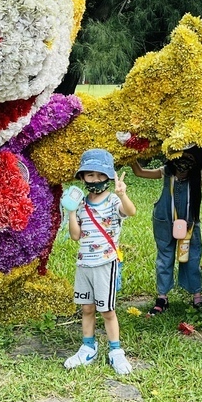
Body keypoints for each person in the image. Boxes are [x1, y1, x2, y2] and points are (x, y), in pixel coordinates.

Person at [64, 148, 137, 375]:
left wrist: (123, 193)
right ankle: (88, 347)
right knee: (87, 308)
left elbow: (131, 212)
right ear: (83, 177)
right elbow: (76, 235)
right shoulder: (82, 204)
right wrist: (71, 212)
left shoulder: (114, 200)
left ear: (109, 176)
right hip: (84, 264)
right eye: (90, 175)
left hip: (106, 263)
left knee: (107, 311)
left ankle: (116, 350)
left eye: (100, 175)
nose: (95, 180)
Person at [131, 147, 202, 315]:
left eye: (189, 157)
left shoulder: (201, 174)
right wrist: (130, 154)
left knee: (192, 258)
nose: (183, 162)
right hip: (164, 222)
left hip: (189, 225)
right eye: (180, 156)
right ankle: (162, 298)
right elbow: (139, 172)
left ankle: (197, 297)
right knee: (165, 257)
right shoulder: (165, 172)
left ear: (196, 160)